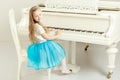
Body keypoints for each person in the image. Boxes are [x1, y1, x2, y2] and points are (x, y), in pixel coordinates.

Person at [27, 6, 70, 74]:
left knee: (55, 51)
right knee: (61, 52)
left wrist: (47, 30)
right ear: (32, 17)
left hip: (38, 46)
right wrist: (58, 35)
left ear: (42, 14)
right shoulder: (38, 27)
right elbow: (47, 38)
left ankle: (56, 67)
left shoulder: (34, 25)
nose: (39, 17)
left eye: (40, 14)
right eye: (36, 16)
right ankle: (64, 68)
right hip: (43, 47)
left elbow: (40, 32)